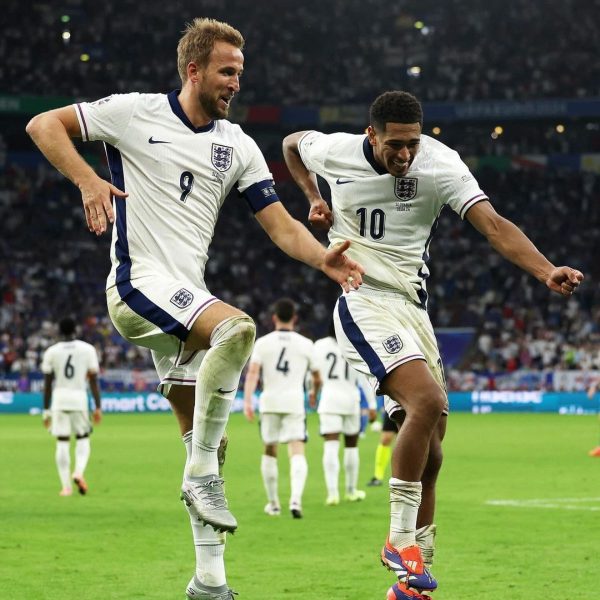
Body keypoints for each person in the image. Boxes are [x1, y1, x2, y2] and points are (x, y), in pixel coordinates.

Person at [26, 18, 364, 600]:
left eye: (240, 72)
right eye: (226, 71)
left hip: (180, 303)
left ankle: (210, 581)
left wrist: (324, 262)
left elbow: (280, 225)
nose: (236, 82)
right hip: (137, 287)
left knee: (204, 446)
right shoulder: (135, 113)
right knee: (236, 329)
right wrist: (86, 180)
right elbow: (43, 124)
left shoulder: (237, 145)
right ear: (194, 70)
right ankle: (202, 476)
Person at [282, 90, 583, 599]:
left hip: (413, 308)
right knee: (427, 400)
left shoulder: (441, 164)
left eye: (413, 145)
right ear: (371, 135)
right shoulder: (333, 150)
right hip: (364, 297)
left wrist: (544, 269)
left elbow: (492, 225)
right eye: (394, 145)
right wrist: (313, 196)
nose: (404, 155)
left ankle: (411, 582)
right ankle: (399, 540)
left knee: (435, 451)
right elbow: (291, 145)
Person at [243, 298, 319, 518]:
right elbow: (316, 375)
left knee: (270, 449)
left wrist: (248, 401)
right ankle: (295, 500)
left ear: (274, 318)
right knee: (297, 450)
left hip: (270, 402)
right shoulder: (306, 344)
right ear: (294, 318)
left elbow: (253, 374)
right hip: (294, 402)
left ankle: (274, 503)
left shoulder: (263, 343)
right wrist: (313, 392)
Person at [313, 321, 377, 505]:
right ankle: (351, 490)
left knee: (331, 446)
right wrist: (372, 404)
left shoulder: (319, 345)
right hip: (351, 401)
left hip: (329, 400)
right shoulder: (355, 344)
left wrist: (312, 392)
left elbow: (313, 372)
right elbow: (365, 378)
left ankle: (332, 494)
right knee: (351, 446)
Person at [41, 317, 102, 496]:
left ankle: (66, 487)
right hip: (79, 399)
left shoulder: (51, 352)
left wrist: (46, 412)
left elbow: (47, 385)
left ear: (59, 331)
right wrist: (98, 407)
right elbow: (93, 381)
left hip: (59, 400)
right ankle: (78, 472)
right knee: (83, 438)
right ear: (75, 330)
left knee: (62, 442)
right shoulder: (87, 349)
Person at [368, 409, 398, 488]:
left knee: (405, 441)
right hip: (392, 406)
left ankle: (407, 476)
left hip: (410, 406)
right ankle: (378, 476)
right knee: (385, 439)